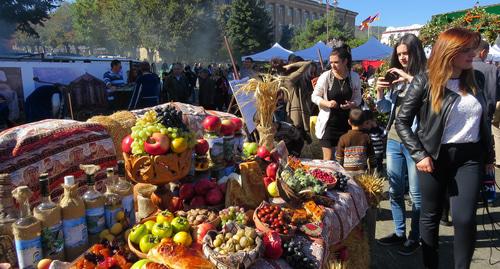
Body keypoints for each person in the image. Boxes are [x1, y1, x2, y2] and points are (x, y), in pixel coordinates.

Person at [395, 28, 494, 269]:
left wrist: (489, 155)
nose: (473, 53)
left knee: (465, 218)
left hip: (469, 158)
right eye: (467, 49)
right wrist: (419, 155)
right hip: (433, 157)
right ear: (449, 51)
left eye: (473, 48)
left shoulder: (476, 79)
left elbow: (484, 121)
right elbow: (402, 121)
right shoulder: (424, 80)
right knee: (430, 217)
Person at [375, 33, 427, 255]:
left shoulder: (426, 76)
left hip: (415, 143)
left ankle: (416, 237)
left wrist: (409, 78)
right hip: (394, 140)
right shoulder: (396, 82)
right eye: (399, 54)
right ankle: (399, 232)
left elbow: (432, 103)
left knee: (416, 194)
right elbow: (386, 109)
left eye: (406, 53)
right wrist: (379, 91)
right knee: (395, 190)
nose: (403, 58)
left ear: (415, 52)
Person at [311, 45, 362, 160]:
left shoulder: (354, 77)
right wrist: (327, 103)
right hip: (328, 124)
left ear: (345, 61)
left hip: (346, 124)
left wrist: (352, 104)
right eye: (331, 62)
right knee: (328, 161)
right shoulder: (326, 76)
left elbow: (358, 98)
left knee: (345, 160)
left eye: (336, 62)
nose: (332, 65)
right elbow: (314, 97)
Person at [335, 108, 375, 177]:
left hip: (347, 174)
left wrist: (339, 172)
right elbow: (372, 156)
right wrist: (372, 169)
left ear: (349, 122)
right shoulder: (366, 137)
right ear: (364, 122)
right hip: (363, 174)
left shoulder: (343, 138)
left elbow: (339, 158)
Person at [363, 110, 386, 175]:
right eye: (365, 123)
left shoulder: (378, 129)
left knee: (378, 165)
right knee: (368, 165)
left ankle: (378, 174)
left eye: (368, 123)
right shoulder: (364, 130)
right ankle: (369, 175)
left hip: (378, 152)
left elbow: (384, 135)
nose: (366, 125)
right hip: (368, 153)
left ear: (373, 121)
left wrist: (376, 127)